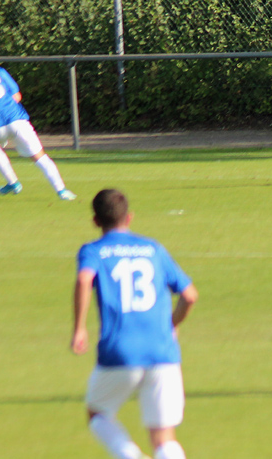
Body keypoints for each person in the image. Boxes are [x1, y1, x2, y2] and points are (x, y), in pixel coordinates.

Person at [72, 189, 199, 459]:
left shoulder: (93, 250)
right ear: (129, 217)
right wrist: (172, 323)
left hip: (119, 350)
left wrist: (79, 328)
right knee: (164, 437)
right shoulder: (153, 248)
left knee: (97, 413)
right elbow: (190, 295)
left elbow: (84, 280)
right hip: (163, 351)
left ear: (96, 221)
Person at [0, 43, 76, 200]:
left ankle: (13, 182)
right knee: (39, 156)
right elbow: (17, 96)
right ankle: (61, 190)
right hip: (16, 120)